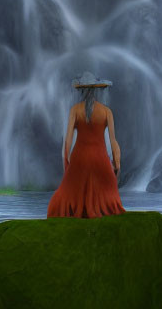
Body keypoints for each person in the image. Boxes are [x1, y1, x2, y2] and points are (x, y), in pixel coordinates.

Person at [46, 71, 126, 218]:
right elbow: (113, 141)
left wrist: (67, 163)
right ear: (96, 89)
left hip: (79, 158)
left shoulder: (75, 110)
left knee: (67, 193)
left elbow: (68, 141)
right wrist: (117, 163)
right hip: (100, 158)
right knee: (109, 194)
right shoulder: (106, 111)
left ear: (81, 89)